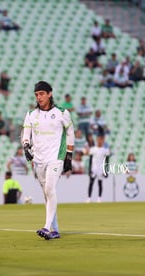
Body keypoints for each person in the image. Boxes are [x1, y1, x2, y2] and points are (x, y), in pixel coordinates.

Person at [21, 81, 75, 240]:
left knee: (50, 190)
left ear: (50, 94)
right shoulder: (31, 114)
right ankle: (55, 230)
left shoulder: (62, 112)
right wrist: (26, 147)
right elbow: (26, 134)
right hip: (38, 160)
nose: (39, 97)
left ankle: (46, 227)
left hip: (56, 158)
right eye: (37, 95)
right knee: (47, 195)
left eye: (42, 94)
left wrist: (69, 155)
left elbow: (71, 133)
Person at [85, 134, 110, 203]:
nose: (100, 141)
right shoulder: (93, 149)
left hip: (101, 169)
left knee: (100, 183)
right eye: (99, 139)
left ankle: (99, 197)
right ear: (97, 140)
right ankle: (89, 198)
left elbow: (107, 161)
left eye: (101, 140)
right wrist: (90, 169)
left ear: (103, 141)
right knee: (91, 183)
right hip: (94, 168)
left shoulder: (105, 150)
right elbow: (90, 159)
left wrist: (106, 171)